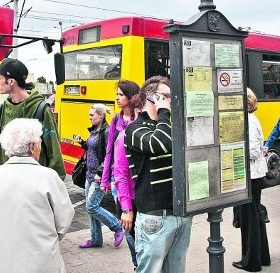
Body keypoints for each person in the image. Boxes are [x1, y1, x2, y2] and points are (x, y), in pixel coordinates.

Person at [0, 119, 73, 273]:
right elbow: (63, 221)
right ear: (32, 147)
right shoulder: (49, 177)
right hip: (39, 263)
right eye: (39, 142)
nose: (40, 146)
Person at [125, 76, 192, 273]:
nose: (170, 101)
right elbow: (159, 144)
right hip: (155, 217)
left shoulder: (168, 126)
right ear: (150, 96)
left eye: (171, 97)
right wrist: (164, 113)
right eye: (165, 96)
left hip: (180, 214)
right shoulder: (134, 129)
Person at [0, 58, 65, 179]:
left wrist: (54, 186)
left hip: (33, 186)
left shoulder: (41, 110)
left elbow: (54, 152)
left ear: (11, 81)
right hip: (4, 183)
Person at [100, 79, 140, 268]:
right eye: (116, 94)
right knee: (128, 228)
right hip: (119, 180)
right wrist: (106, 179)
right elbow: (109, 152)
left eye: (121, 95)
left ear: (132, 97)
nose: (117, 98)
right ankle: (136, 264)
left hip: (137, 181)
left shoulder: (141, 119)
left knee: (138, 226)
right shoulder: (116, 119)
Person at [73, 103, 125, 249]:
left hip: (99, 176)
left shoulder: (107, 131)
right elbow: (94, 149)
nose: (90, 118)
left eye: (92, 115)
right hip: (89, 175)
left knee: (91, 207)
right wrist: (82, 143)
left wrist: (101, 173)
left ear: (101, 115)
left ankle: (117, 227)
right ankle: (96, 239)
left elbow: (111, 155)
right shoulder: (95, 130)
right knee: (92, 208)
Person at [232, 88, 271, 272]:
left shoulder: (248, 120)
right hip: (254, 174)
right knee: (255, 216)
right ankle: (262, 256)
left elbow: (254, 151)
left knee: (249, 219)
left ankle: (251, 261)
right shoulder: (251, 119)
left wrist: (233, 153)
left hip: (250, 174)